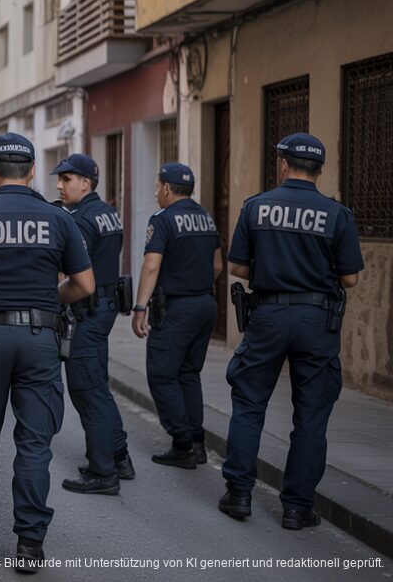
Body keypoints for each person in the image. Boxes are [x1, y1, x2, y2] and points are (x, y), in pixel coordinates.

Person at [0, 133, 94, 572]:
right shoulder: (59, 218)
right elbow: (84, 285)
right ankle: (29, 543)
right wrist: (47, 301)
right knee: (34, 443)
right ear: (31, 172)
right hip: (40, 337)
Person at [218, 133, 363, 529]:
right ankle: (298, 508)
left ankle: (239, 494)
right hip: (317, 321)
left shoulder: (256, 207)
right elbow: (350, 278)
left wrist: (272, 267)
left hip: (267, 316)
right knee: (312, 415)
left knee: (249, 405)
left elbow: (238, 267)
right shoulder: (337, 214)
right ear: (320, 169)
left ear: (283, 164)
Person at [50, 155, 133, 495]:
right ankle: (119, 456)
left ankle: (102, 472)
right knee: (97, 383)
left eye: (66, 179)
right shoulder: (107, 213)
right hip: (104, 306)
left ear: (85, 183)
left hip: (87, 309)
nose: (59, 185)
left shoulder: (82, 220)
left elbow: (74, 273)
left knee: (86, 388)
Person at [131, 163, 223, 469]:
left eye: (157, 187)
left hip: (176, 309)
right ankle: (197, 443)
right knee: (188, 374)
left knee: (161, 373)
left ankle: (182, 444)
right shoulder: (206, 217)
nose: (156, 192)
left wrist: (140, 307)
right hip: (205, 305)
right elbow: (218, 266)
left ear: (167, 188)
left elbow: (151, 265)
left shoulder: (163, 219)